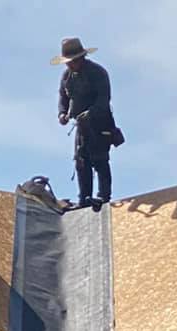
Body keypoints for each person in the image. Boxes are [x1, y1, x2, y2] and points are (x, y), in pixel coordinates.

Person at [51, 37, 119, 208]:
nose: (70, 65)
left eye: (72, 61)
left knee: (100, 160)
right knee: (81, 162)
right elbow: (63, 97)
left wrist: (91, 113)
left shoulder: (98, 73)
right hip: (81, 127)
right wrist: (62, 114)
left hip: (100, 123)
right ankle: (84, 199)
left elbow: (104, 99)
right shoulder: (67, 76)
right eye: (68, 62)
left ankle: (104, 197)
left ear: (81, 57)